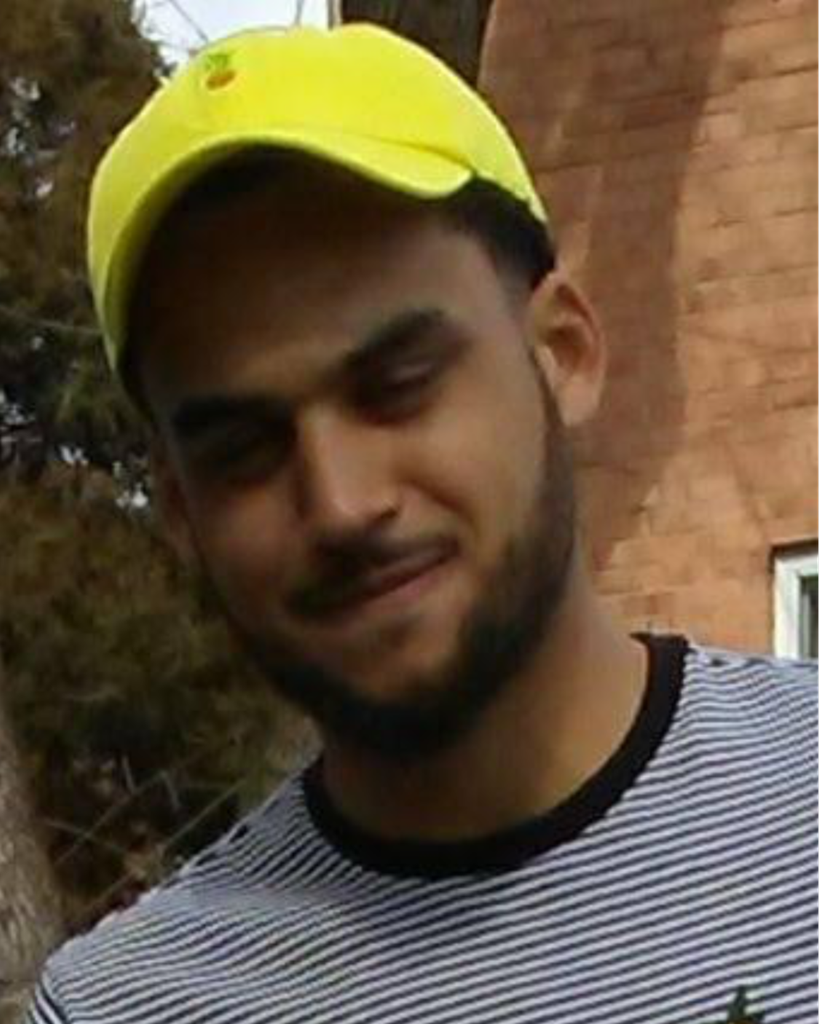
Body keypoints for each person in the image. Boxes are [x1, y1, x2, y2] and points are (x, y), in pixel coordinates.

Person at [25, 23, 817, 1024]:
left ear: (562, 351)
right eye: (243, 449)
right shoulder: (129, 1007)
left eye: (397, 386)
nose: (342, 502)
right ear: (180, 509)